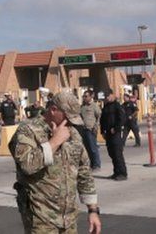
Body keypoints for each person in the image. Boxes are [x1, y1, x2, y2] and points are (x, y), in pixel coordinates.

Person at [10, 91, 101, 234]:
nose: (71, 122)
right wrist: (55, 141)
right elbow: (27, 165)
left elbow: (84, 172)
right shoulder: (28, 130)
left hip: (69, 219)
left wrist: (93, 210)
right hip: (41, 218)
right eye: (68, 117)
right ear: (53, 110)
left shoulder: (73, 133)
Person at [99, 90, 127, 181]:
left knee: (117, 153)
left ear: (112, 95)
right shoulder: (106, 107)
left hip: (116, 133)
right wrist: (102, 131)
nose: (107, 98)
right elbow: (102, 120)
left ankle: (122, 173)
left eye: (108, 96)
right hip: (108, 133)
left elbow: (122, 119)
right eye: (105, 96)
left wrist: (116, 128)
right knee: (111, 153)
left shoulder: (117, 106)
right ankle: (116, 172)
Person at [78, 90, 101, 171]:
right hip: (83, 130)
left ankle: (97, 165)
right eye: (83, 96)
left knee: (93, 148)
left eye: (86, 96)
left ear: (91, 97)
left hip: (90, 130)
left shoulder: (94, 106)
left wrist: (96, 127)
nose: (84, 98)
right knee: (87, 148)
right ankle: (91, 164)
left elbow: (99, 117)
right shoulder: (82, 107)